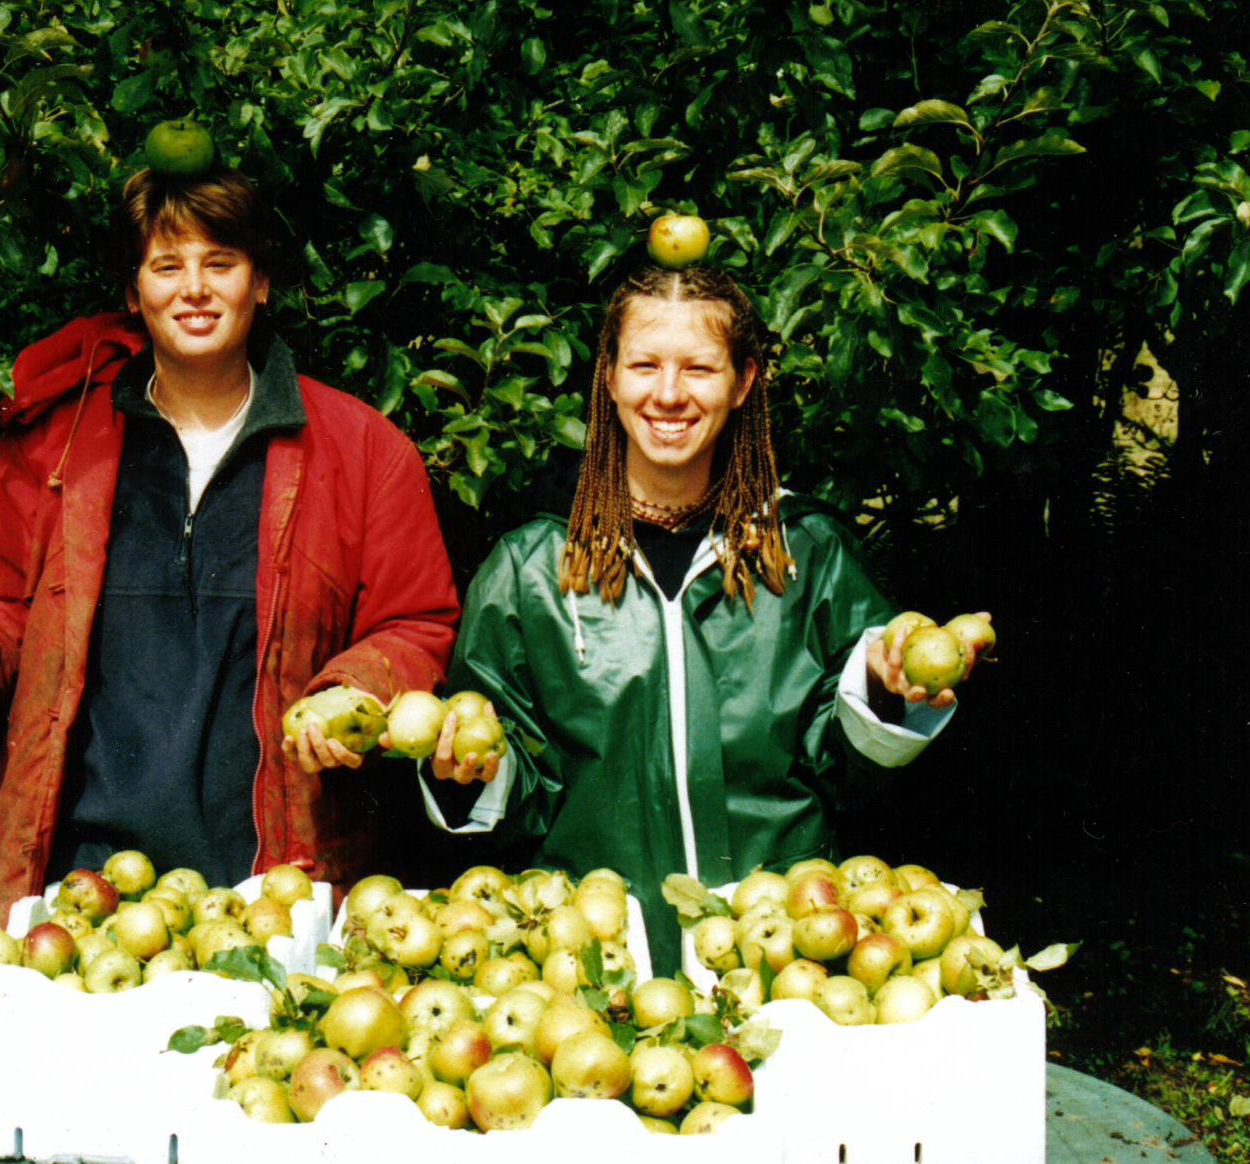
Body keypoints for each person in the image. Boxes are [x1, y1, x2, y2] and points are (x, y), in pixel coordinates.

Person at [0, 165, 460, 928]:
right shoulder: (56, 443)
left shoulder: (363, 449)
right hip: (79, 886)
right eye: (166, 265)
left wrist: (350, 692)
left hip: (277, 888)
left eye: (220, 263)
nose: (194, 289)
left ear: (262, 282)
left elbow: (414, 622)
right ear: (131, 290)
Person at [414, 262, 987, 972]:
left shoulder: (804, 553)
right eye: (644, 365)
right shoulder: (531, 569)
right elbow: (512, 794)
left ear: (743, 381)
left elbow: (851, 778)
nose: (667, 394)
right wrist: (464, 771)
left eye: (699, 369)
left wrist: (882, 694)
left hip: (780, 955)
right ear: (609, 378)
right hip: (587, 966)